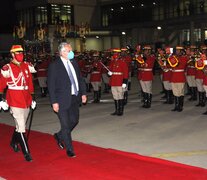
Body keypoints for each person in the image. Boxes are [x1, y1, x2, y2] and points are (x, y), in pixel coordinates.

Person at [47, 42, 87, 157]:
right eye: (69, 51)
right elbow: (51, 85)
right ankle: (69, 149)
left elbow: (80, 79)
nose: (71, 52)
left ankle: (59, 136)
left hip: (74, 97)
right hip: (61, 100)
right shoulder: (54, 65)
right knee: (65, 125)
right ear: (62, 52)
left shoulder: (74, 62)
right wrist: (54, 101)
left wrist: (83, 93)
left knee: (74, 121)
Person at [0, 45, 36, 162]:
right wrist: (1, 100)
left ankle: (13, 142)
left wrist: (32, 98)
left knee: (21, 126)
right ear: (12, 54)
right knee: (21, 127)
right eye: (17, 53)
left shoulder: (27, 66)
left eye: (21, 52)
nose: (20, 54)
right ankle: (27, 153)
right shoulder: (7, 68)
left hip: (26, 99)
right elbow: (1, 85)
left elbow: (30, 83)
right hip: (14, 100)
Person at [108, 49, 128, 116]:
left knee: (120, 95)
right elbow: (110, 70)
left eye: (116, 53)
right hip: (113, 81)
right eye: (114, 53)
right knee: (115, 96)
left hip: (120, 81)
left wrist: (125, 82)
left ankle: (121, 111)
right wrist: (109, 73)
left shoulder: (122, 62)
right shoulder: (112, 62)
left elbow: (125, 73)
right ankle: (116, 110)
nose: (114, 55)